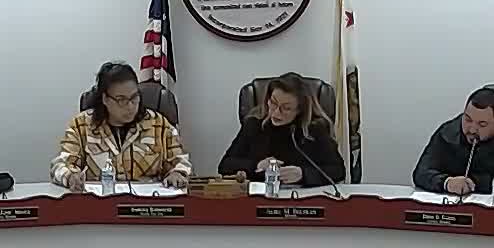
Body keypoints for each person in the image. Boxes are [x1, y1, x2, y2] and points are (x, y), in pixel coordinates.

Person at [51, 62, 192, 191]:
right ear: (105, 99)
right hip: (100, 203)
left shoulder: (158, 124)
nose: (130, 106)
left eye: (134, 97)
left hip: (147, 204)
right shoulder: (81, 125)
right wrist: (70, 177)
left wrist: (177, 173)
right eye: (121, 100)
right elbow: (60, 164)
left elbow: (181, 161)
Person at [218, 73, 347, 187]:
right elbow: (225, 165)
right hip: (260, 196)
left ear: (300, 110)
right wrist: (257, 165)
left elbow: (338, 170)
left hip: (300, 198)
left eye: (286, 108)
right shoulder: (254, 124)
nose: (276, 112)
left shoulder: (315, 129)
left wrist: (303, 174)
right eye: (273, 103)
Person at [412, 87, 494, 196]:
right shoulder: (448, 133)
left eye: (482, 124)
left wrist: (473, 183)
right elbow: (421, 172)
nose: (472, 129)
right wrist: (447, 182)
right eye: (468, 119)